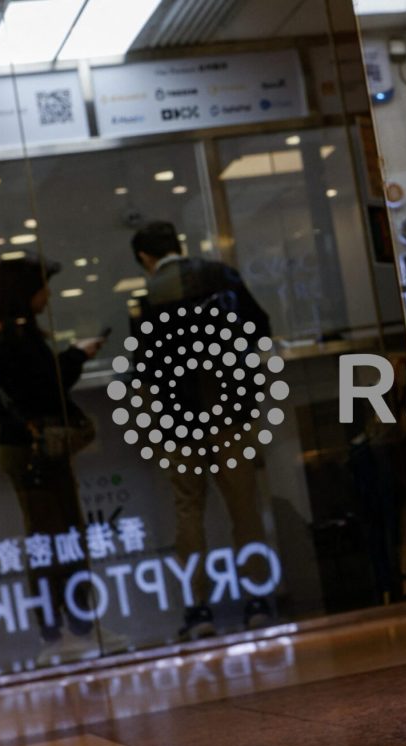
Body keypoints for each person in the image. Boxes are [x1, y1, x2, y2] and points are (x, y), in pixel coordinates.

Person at [130, 221, 273, 639]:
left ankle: (199, 611)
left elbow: (146, 371)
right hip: (231, 412)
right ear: (179, 244)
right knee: (244, 507)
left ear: (145, 258)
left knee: (188, 510)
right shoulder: (222, 276)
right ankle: (257, 600)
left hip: (179, 420)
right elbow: (260, 328)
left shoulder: (146, 300)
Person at [0, 254, 119, 664]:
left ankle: (71, 626)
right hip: (34, 449)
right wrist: (76, 355)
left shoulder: (2, 332)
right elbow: (45, 387)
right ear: (26, 292)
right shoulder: (16, 335)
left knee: (59, 539)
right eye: (43, 286)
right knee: (54, 541)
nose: (49, 295)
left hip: (28, 447)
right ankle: (60, 631)